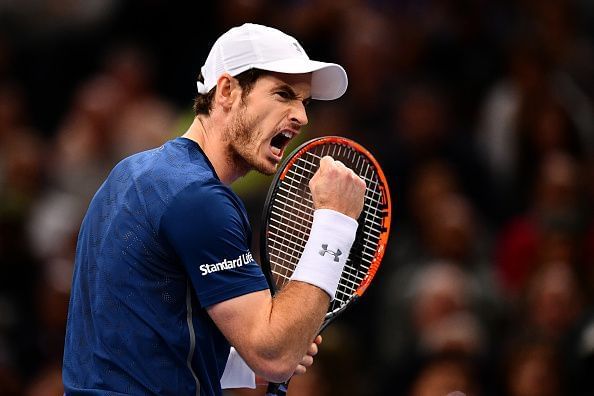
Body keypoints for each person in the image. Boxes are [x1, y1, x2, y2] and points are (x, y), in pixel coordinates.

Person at [62, 23, 366, 395]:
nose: (301, 116)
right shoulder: (199, 199)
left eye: (304, 102)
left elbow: (135, 329)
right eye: (284, 94)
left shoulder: (132, 173)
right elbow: (275, 355)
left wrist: (241, 365)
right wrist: (335, 220)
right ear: (226, 91)